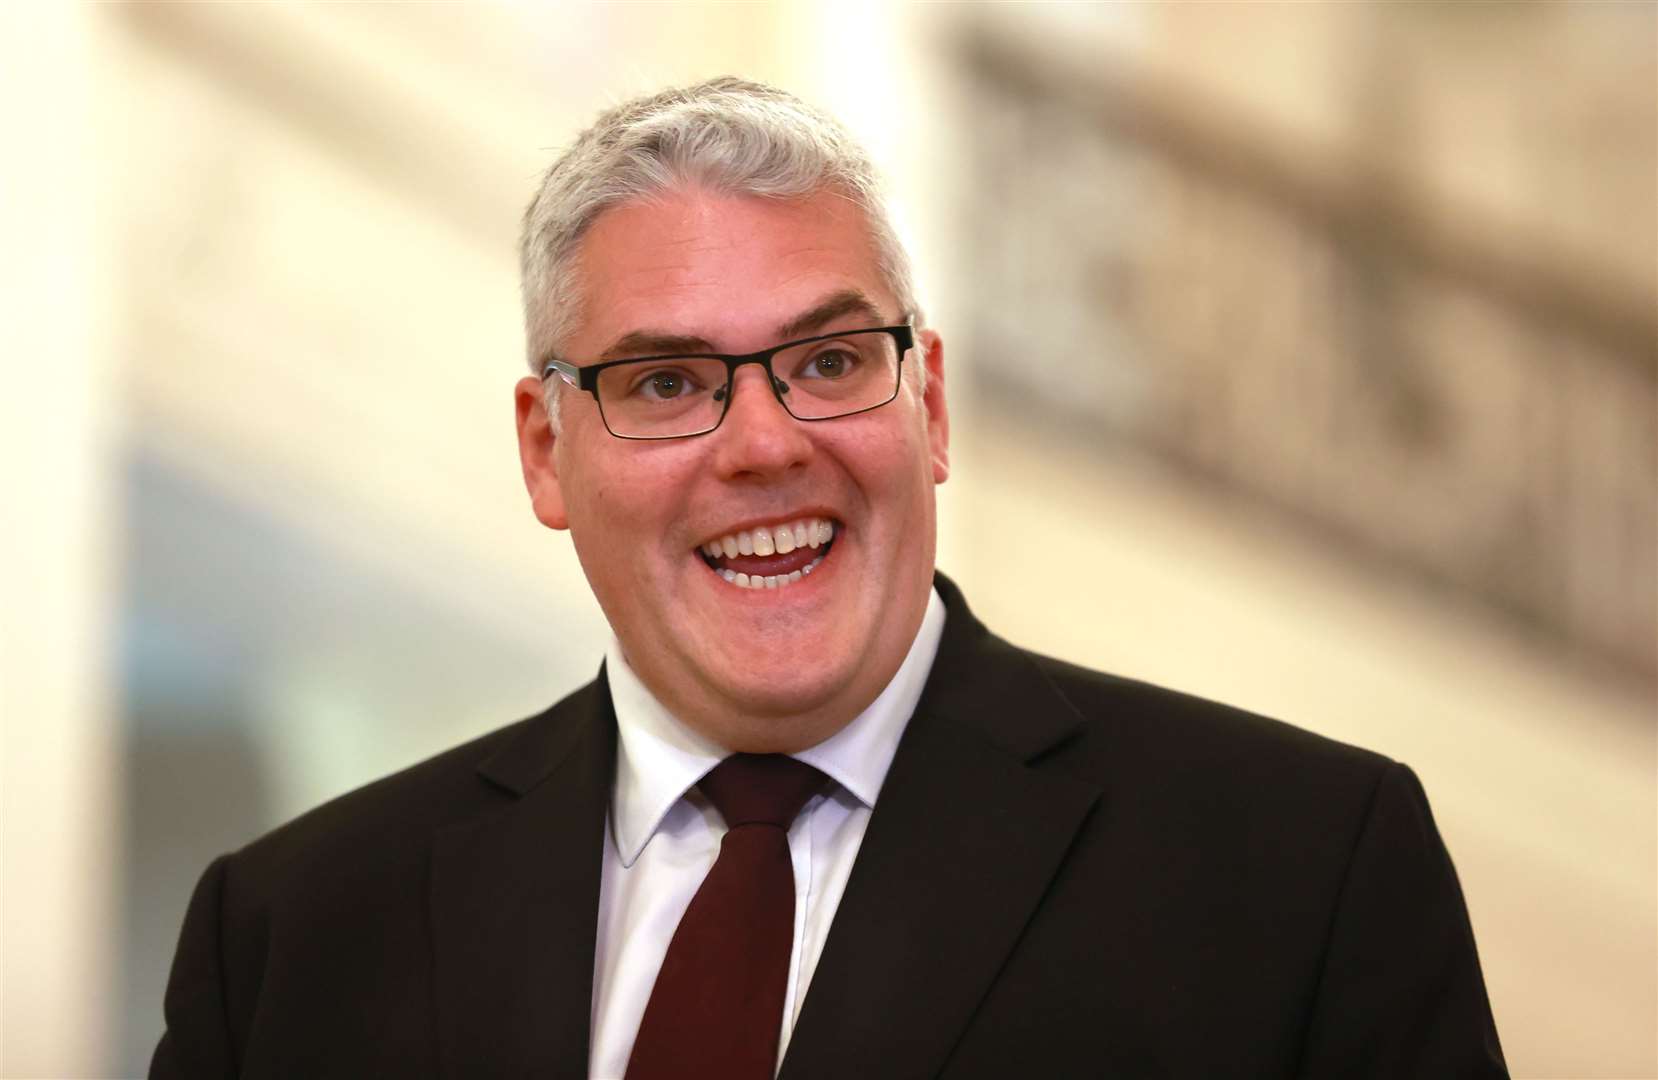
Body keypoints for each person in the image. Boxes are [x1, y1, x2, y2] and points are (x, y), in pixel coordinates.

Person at [151, 77, 1508, 1079]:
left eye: (826, 361)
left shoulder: (1301, 872)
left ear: (928, 403)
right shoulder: (292, 936)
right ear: (543, 451)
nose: (762, 443)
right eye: (665, 381)